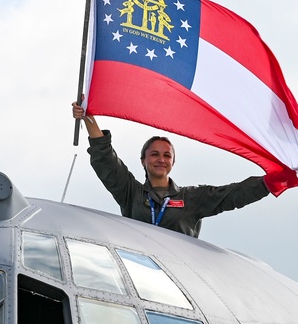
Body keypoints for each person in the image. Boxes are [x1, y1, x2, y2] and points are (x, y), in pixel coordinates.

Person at [72, 101, 277, 238]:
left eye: (167, 155)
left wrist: (270, 183)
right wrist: (88, 117)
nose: (161, 159)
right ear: (143, 161)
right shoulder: (131, 194)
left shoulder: (192, 197)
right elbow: (106, 161)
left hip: (177, 280)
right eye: (154, 154)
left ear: (173, 162)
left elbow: (234, 195)